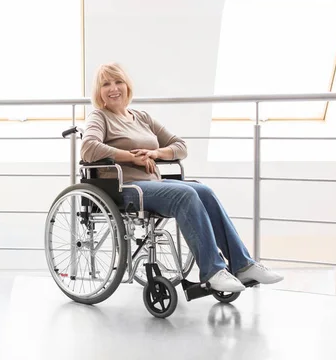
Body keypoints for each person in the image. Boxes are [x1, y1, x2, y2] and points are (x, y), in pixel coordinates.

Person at [80, 62, 284, 292]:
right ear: (99, 93)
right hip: (125, 188)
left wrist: (156, 153)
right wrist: (131, 157)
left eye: (118, 82)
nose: (113, 88)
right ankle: (213, 271)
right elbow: (88, 148)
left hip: (154, 185)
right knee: (184, 194)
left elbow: (181, 146)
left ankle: (243, 265)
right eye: (106, 84)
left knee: (203, 190)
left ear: (127, 86)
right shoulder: (100, 117)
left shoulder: (142, 117)